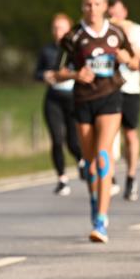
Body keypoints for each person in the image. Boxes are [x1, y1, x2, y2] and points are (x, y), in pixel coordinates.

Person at [55, 0, 134, 244]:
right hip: (83, 100)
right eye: (88, 4)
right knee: (90, 164)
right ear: (82, 7)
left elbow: (134, 61)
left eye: (97, 4)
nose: (93, 9)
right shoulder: (74, 37)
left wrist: (129, 59)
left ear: (105, 6)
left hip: (111, 97)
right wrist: (76, 74)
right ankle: (94, 200)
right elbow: (57, 72)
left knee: (103, 157)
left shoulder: (116, 33)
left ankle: (101, 220)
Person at [35, 12, 85, 196]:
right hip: (53, 98)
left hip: (72, 97)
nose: (58, 32)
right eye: (55, 28)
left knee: (73, 141)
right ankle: (62, 179)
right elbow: (37, 73)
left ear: (69, 29)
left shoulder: (76, 49)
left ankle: (82, 161)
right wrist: (44, 76)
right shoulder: (47, 50)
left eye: (61, 28)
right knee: (57, 139)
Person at [108, 0, 140, 201]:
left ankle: (131, 177)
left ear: (125, 12)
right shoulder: (104, 30)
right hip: (108, 88)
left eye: (116, 12)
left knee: (130, 134)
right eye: (110, 12)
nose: (113, 16)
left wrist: (125, 55)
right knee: (109, 133)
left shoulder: (136, 30)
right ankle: (111, 178)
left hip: (130, 88)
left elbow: (139, 62)